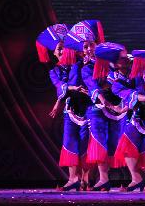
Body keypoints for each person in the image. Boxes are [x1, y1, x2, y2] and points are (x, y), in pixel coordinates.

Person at [74, 21, 125, 192]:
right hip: (96, 109)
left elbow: (119, 81)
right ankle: (103, 179)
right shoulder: (86, 68)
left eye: (91, 45)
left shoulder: (112, 62)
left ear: (98, 45)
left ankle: (104, 178)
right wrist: (105, 100)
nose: (88, 49)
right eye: (85, 47)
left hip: (118, 108)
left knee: (113, 144)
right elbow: (93, 86)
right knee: (99, 142)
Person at [38, 24, 90, 191]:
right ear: (53, 53)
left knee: (85, 144)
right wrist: (66, 95)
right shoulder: (54, 71)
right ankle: (73, 178)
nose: (61, 52)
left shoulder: (80, 64)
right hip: (70, 110)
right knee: (69, 142)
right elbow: (60, 86)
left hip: (87, 107)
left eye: (63, 48)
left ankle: (85, 180)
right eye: (58, 49)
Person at [112, 49, 145, 191]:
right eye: (121, 59)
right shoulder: (120, 80)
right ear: (116, 65)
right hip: (138, 115)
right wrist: (142, 98)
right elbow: (127, 93)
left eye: (126, 57)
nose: (126, 59)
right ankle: (136, 178)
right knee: (127, 143)